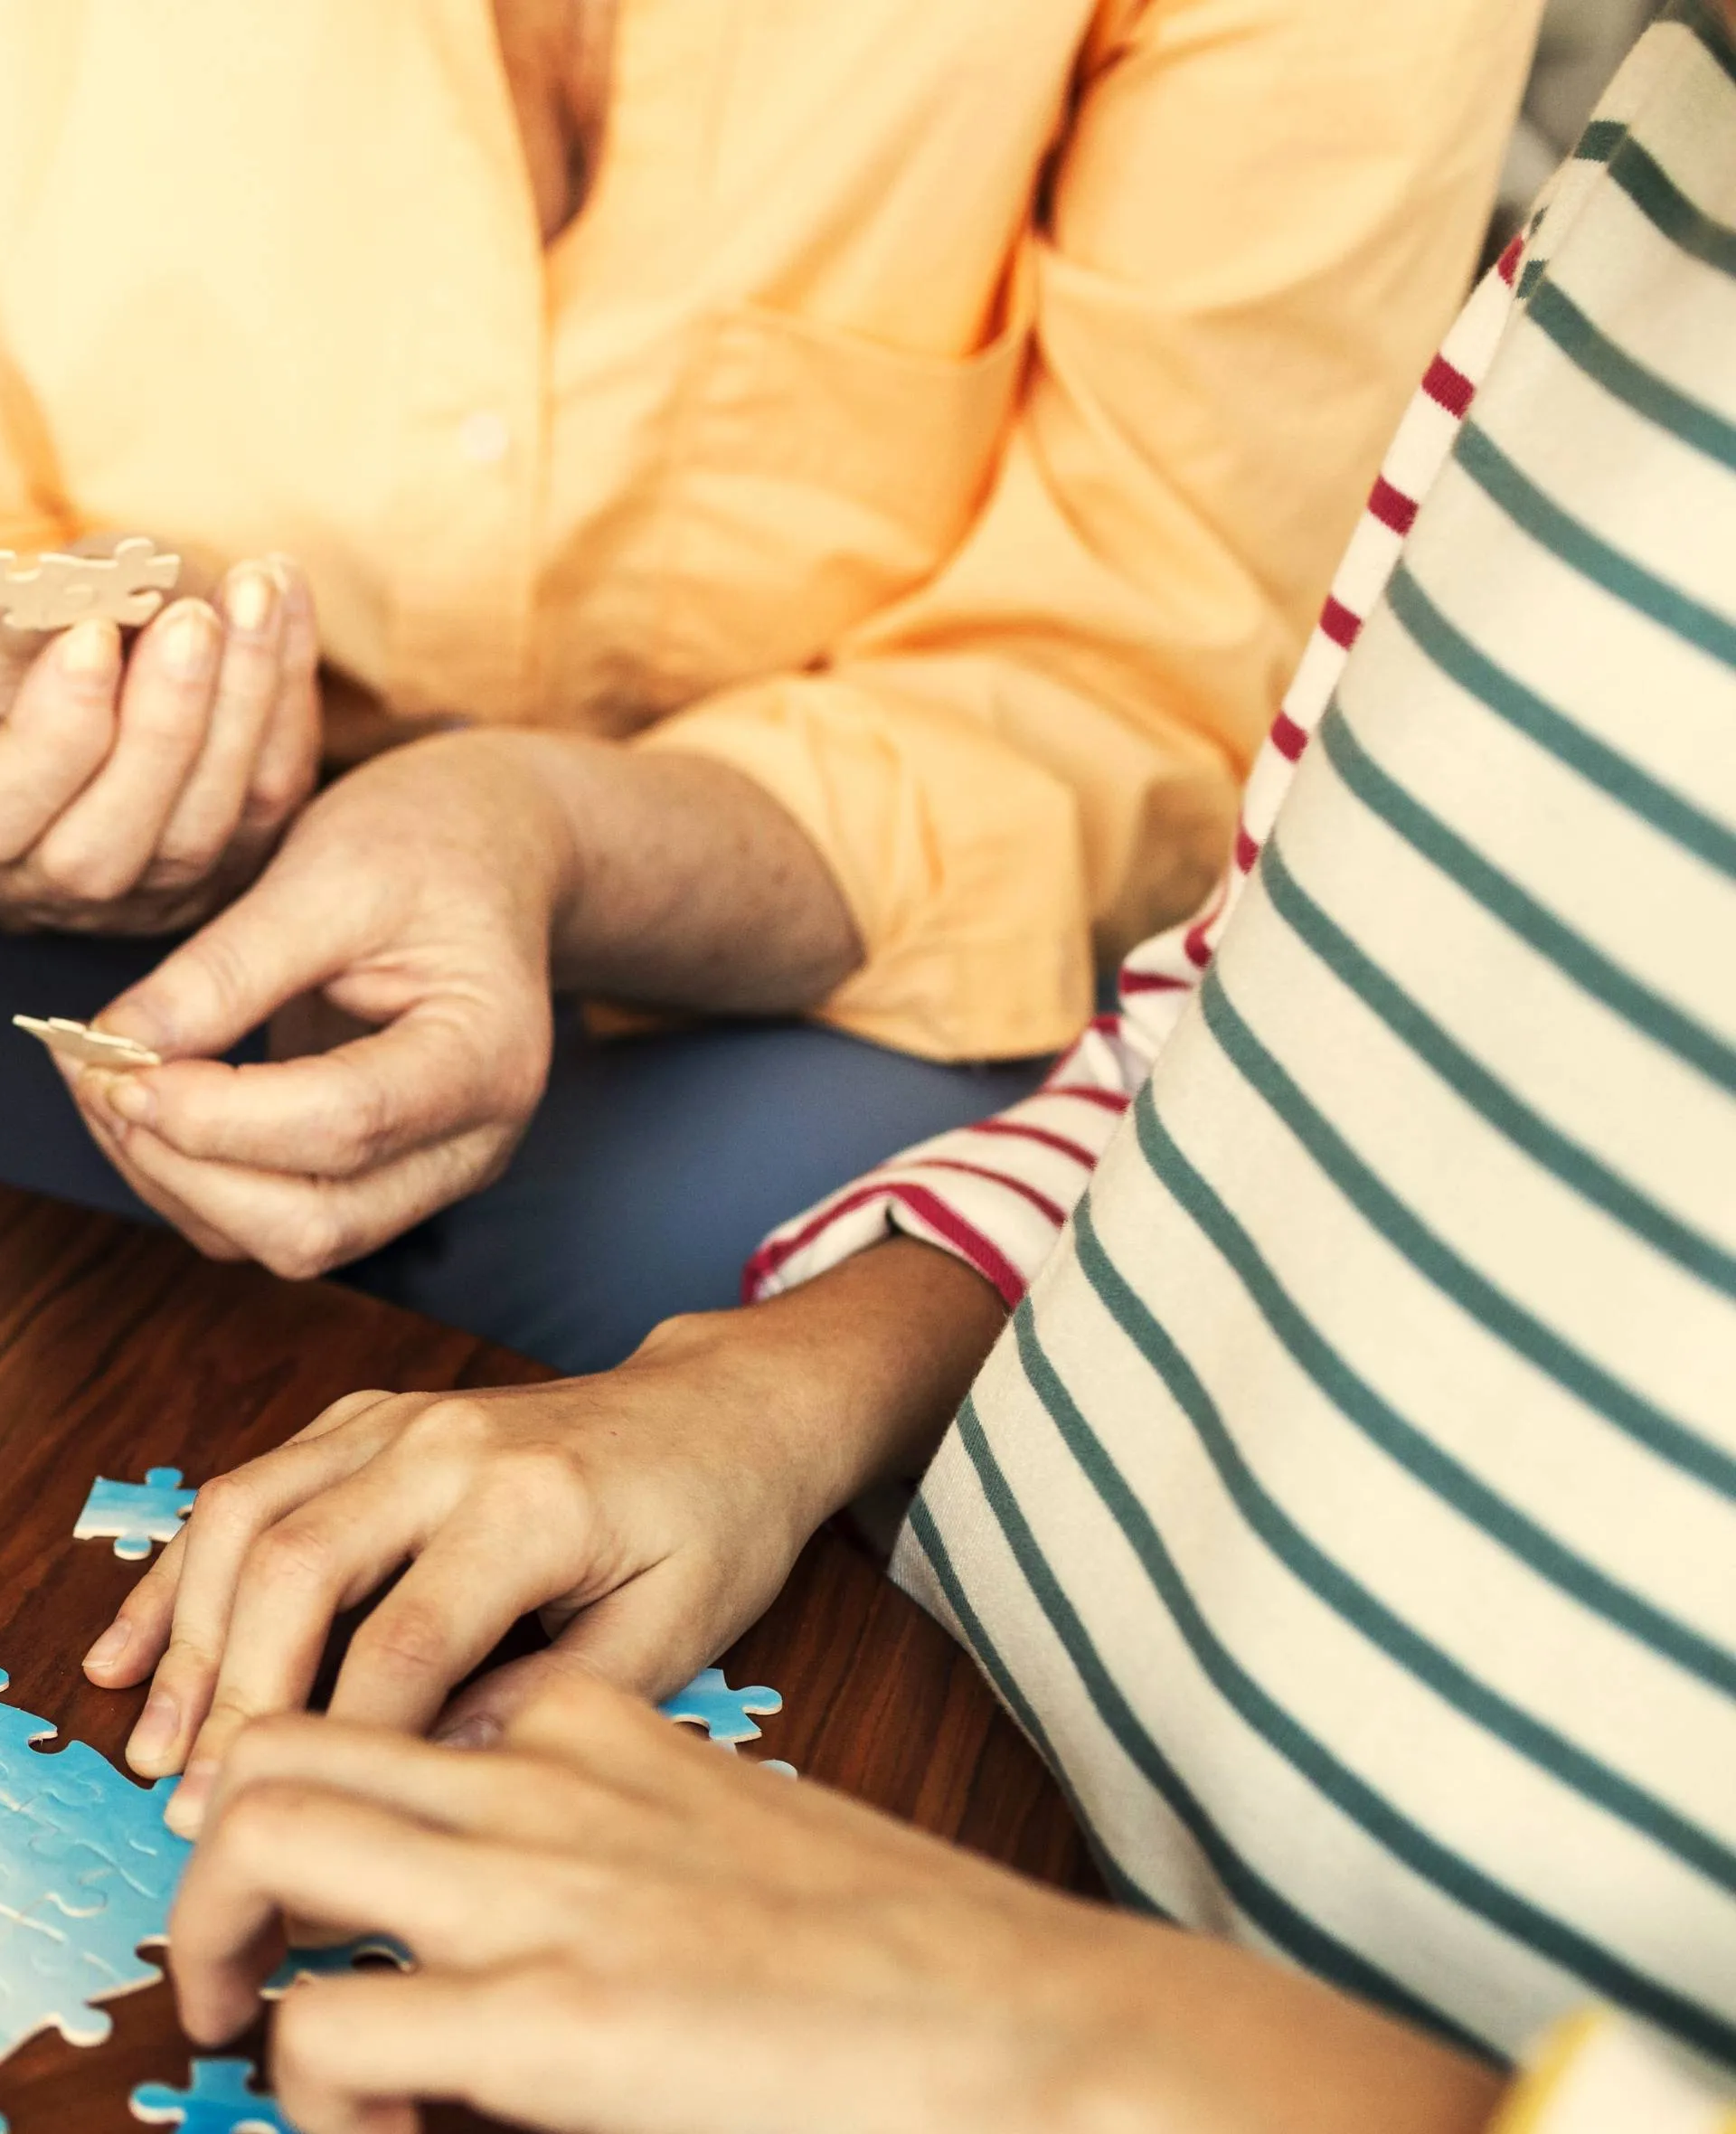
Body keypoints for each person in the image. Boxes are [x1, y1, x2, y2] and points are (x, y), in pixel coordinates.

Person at [102, 9, 1736, 2123]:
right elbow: (1255, 997)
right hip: (894, 1792)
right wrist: (770, 1393)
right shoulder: (1662, 164)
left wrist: (1111, 2055)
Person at [0, 0, 1538, 1372]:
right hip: (21, 955)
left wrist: (553, 841)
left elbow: (1141, 670)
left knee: (893, 1335)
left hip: (789, 1000)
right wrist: (32, 692)